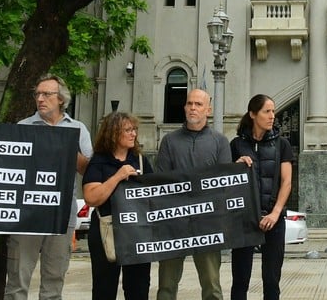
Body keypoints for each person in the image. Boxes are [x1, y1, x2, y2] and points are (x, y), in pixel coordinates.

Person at [5, 76, 93, 300]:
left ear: (61, 99)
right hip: (27, 213)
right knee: (17, 279)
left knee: (54, 278)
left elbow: (88, 170)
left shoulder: (77, 128)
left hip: (61, 213)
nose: (40, 99)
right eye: (37, 94)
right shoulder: (23, 127)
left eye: (47, 94)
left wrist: (64, 147)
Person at [155, 88, 232, 300]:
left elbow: (223, 184)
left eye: (198, 104)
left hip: (207, 223)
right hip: (174, 223)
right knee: (166, 286)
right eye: (189, 103)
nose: (193, 108)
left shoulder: (220, 141)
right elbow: (161, 181)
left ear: (208, 109)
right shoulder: (169, 141)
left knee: (212, 286)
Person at [229, 95, 296, 300]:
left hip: (273, 219)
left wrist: (275, 213)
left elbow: (286, 182)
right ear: (253, 114)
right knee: (240, 281)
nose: (272, 116)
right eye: (267, 111)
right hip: (245, 220)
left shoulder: (281, 144)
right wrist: (235, 166)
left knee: (271, 280)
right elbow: (227, 183)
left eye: (273, 111)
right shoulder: (236, 145)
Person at [83, 112, 153, 300]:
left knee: (138, 288)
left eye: (134, 129)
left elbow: (154, 194)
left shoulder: (140, 160)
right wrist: (118, 176)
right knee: (104, 288)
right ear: (113, 133)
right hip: (106, 230)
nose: (133, 134)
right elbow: (91, 197)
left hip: (137, 232)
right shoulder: (98, 161)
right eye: (128, 130)